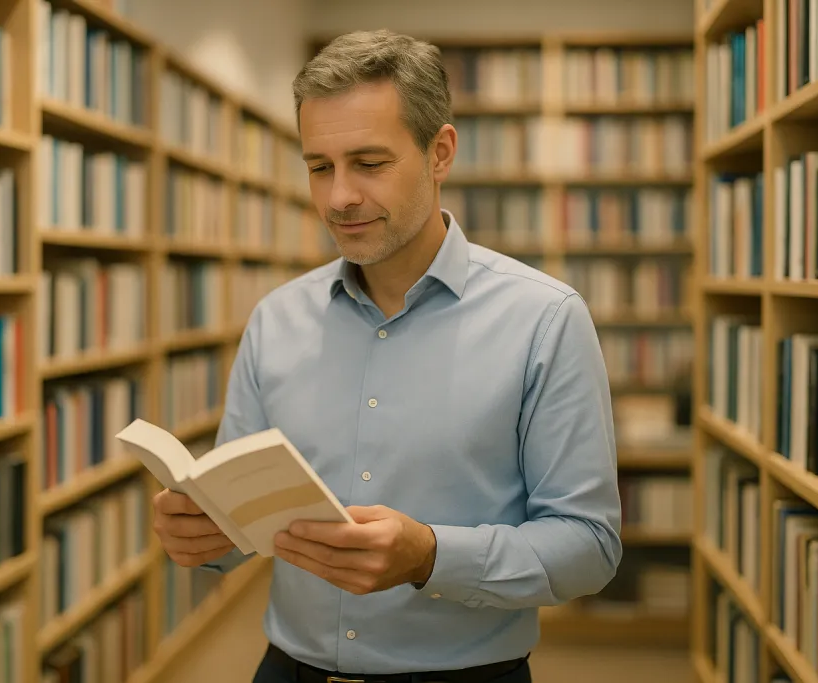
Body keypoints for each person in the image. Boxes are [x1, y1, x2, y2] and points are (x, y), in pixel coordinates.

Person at [152, 28, 623, 683]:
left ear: (440, 153)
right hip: (286, 668)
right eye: (320, 167)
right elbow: (242, 528)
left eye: (369, 163)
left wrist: (430, 555)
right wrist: (201, 537)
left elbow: (590, 546)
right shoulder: (276, 319)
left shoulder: (543, 319)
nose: (339, 196)